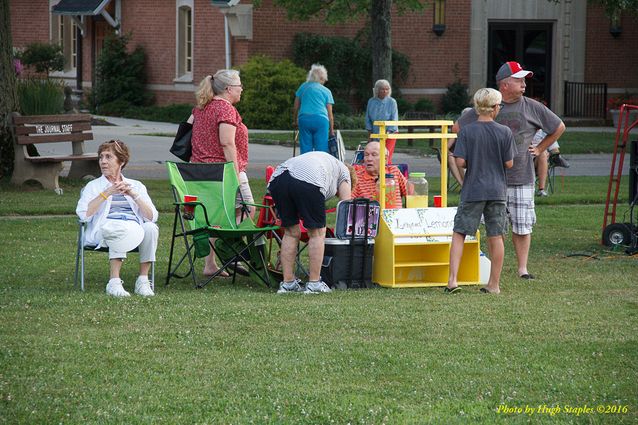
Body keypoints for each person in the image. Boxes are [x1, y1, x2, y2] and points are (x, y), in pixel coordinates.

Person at [455, 61, 565, 280]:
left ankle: (522, 268)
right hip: (490, 179)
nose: (524, 84)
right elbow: (458, 128)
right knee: (495, 226)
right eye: (518, 80)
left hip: (521, 175)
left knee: (522, 224)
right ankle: (494, 269)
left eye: (524, 80)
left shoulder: (531, 106)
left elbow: (558, 126)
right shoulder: (489, 105)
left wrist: (540, 148)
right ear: (504, 84)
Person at [446, 88, 516, 294]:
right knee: (496, 235)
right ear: (495, 108)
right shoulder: (505, 132)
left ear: (477, 107)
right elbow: (509, 163)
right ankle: (494, 284)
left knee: (459, 233)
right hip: (496, 190)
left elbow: (460, 161)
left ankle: (452, 281)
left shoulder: (466, 131)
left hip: (473, 189)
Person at [190, 69, 254, 277]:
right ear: (228, 89)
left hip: (200, 171)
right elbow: (227, 143)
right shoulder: (225, 109)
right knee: (248, 209)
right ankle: (230, 251)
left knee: (215, 217)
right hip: (223, 171)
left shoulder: (201, 107)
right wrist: (235, 173)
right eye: (239, 86)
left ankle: (211, 264)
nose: (242, 89)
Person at [76, 140, 159, 297]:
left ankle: (143, 281)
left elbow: (152, 216)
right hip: (105, 230)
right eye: (101, 157)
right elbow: (83, 215)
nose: (103, 162)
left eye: (108, 157)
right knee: (117, 226)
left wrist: (134, 195)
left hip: (135, 230)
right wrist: (107, 192)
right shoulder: (93, 186)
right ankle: (113, 282)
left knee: (151, 228)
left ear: (121, 161)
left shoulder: (136, 185)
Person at [268, 152, 355, 294]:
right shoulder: (345, 173)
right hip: (308, 179)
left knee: (290, 232)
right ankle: (314, 284)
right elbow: (346, 206)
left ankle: (288, 283)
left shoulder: (327, 162)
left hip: (278, 179)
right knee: (317, 233)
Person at [293, 64, 335, 154]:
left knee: (305, 148)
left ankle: (306, 167)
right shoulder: (326, 91)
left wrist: (295, 120)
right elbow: (330, 115)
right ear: (321, 78)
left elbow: (296, 107)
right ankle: (320, 167)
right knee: (321, 149)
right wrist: (331, 130)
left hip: (304, 119)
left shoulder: (303, 87)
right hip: (321, 120)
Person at [351, 141, 407, 206]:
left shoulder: (394, 171)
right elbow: (349, 204)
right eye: (366, 155)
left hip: (395, 214)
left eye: (374, 155)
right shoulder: (357, 177)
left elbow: (410, 193)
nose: (369, 159)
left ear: (385, 159)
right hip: (371, 215)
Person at [365, 79, 399, 163]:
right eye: (382, 89)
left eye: (387, 89)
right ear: (377, 90)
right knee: (376, 156)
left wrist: (387, 132)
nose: (385, 91)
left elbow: (394, 119)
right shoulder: (371, 101)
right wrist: (370, 135)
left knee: (386, 155)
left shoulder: (392, 102)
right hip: (375, 132)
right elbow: (368, 118)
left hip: (390, 133)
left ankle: (387, 173)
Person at [532, 129, 570, 197]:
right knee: (543, 152)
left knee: (543, 152)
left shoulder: (542, 130)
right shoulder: (524, 130)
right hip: (526, 159)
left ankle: (556, 156)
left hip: (540, 159)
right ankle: (556, 157)